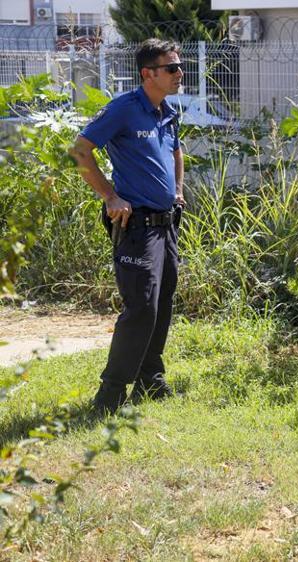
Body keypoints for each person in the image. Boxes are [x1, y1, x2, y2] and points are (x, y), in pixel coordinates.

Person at [70, 39, 185, 414]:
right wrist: (109, 196)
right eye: (171, 68)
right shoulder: (124, 109)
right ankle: (111, 394)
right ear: (147, 73)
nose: (179, 73)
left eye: (179, 66)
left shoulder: (166, 111)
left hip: (167, 223)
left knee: (162, 302)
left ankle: (151, 381)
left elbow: (175, 152)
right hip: (136, 226)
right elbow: (81, 151)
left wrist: (179, 191)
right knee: (141, 307)